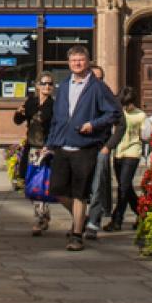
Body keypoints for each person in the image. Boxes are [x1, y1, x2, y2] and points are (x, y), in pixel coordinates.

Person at [47, 46, 120, 252]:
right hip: (62, 145)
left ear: (88, 62)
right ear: (68, 63)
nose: (77, 63)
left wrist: (93, 125)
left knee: (80, 193)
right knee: (58, 191)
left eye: (81, 60)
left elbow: (114, 113)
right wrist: (50, 143)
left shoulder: (97, 87)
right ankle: (81, 216)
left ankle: (77, 235)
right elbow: (57, 117)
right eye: (73, 60)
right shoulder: (63, 86)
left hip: (84, 147)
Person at [13, 77, 56, 235]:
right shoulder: (31, 102)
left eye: (50, 83)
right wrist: (18, 112)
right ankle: (42, 214)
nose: (47, 86)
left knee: (43, 184)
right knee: (31, 183)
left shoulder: (55, 105)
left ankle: (42, 217)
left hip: (47, 149)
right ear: (37, 85)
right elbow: (18, 120)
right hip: (32, 147)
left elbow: (55, 126)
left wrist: (51, 146)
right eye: (44, 83)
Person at [83, 65, 117, 239]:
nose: (96, 82)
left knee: (97, 186)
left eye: (99, 78)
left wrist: (108, 146)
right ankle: (80, 219)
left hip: (100, 148)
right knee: (80, 187)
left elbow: (121, 123)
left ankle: (93, 223)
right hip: (82, 147)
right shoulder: (82, 95)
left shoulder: (107, 95)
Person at [106, 91, 147, 232]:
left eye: (127, 105)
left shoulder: (140, 115)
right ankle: (143, 214)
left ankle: (117, 220)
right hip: (118, 152)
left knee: (123, 187)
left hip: (133, 152)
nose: (124, 107)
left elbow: (144, 135)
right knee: (126, 187)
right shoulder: (117, 113)